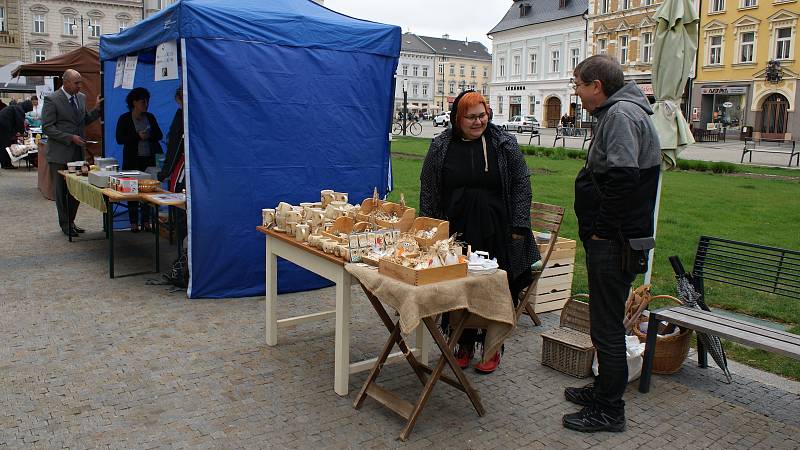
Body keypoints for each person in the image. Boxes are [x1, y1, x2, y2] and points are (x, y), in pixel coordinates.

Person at [564, 54, 661, 433]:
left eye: (578, 85)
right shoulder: (622, 111)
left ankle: (609, 409)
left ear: (596, 86)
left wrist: (602, 230)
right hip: (617, 237)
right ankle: (603, 390)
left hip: (615, 241)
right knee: (604, 322)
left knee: (606, 327)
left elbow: (622, 180)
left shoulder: (620, 115)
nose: (577, 93)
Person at [420, 90, 540, 374]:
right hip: (455, 230)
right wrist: (430, 228)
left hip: (496, 228)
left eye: (482, 116)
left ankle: (491, 346)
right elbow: (428, 186)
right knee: (457, 285)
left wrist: (519, 227)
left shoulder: (504, 144)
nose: (477, 122)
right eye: (470, 117)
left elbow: (522, 185)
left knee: (493, 286)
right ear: (457, 118)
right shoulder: (441, 146)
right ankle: (461, 342)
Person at [42, 69, 102, 236]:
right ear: (66, 82)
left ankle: (71, 221)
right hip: (60, 154)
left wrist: (96, 110)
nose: (79, 86)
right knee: (61, 191)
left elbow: (83, 121)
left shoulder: (81, 98)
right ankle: (65, 225)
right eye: (76, 82)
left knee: (76, 190)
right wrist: (70, 138)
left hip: (77, 154)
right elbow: (47, 127)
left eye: (80, 82)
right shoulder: (52, 100)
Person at [115, 87, 163, 233]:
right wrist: (137, 136)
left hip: (148, 160)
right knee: (132, 191)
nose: (146, 104)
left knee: (148, 192)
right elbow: (119, 139)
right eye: (143, 101)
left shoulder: (150, 117)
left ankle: (147, 221)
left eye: (147, 101)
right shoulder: (124, 118)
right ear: (134, 102)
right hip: (132, 160)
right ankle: (134, 222)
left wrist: (149, 135)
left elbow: (159, 135)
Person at [158, 87, 186, 241]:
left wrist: (164, 173)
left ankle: (184, 250)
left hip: (183, 168)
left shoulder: (182, 116)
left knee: (180, 206)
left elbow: (174, 147)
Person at [0, 100, 33, 169]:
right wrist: (23, 132)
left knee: (3, 145)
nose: (27, 112)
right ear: (26, 107)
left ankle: (5, 163)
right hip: (4, 127)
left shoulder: (16, 107)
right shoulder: (19, 109)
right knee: (6, 145)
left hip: (3, 126)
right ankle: (6, 164)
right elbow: (20, 122)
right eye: (28, 110)